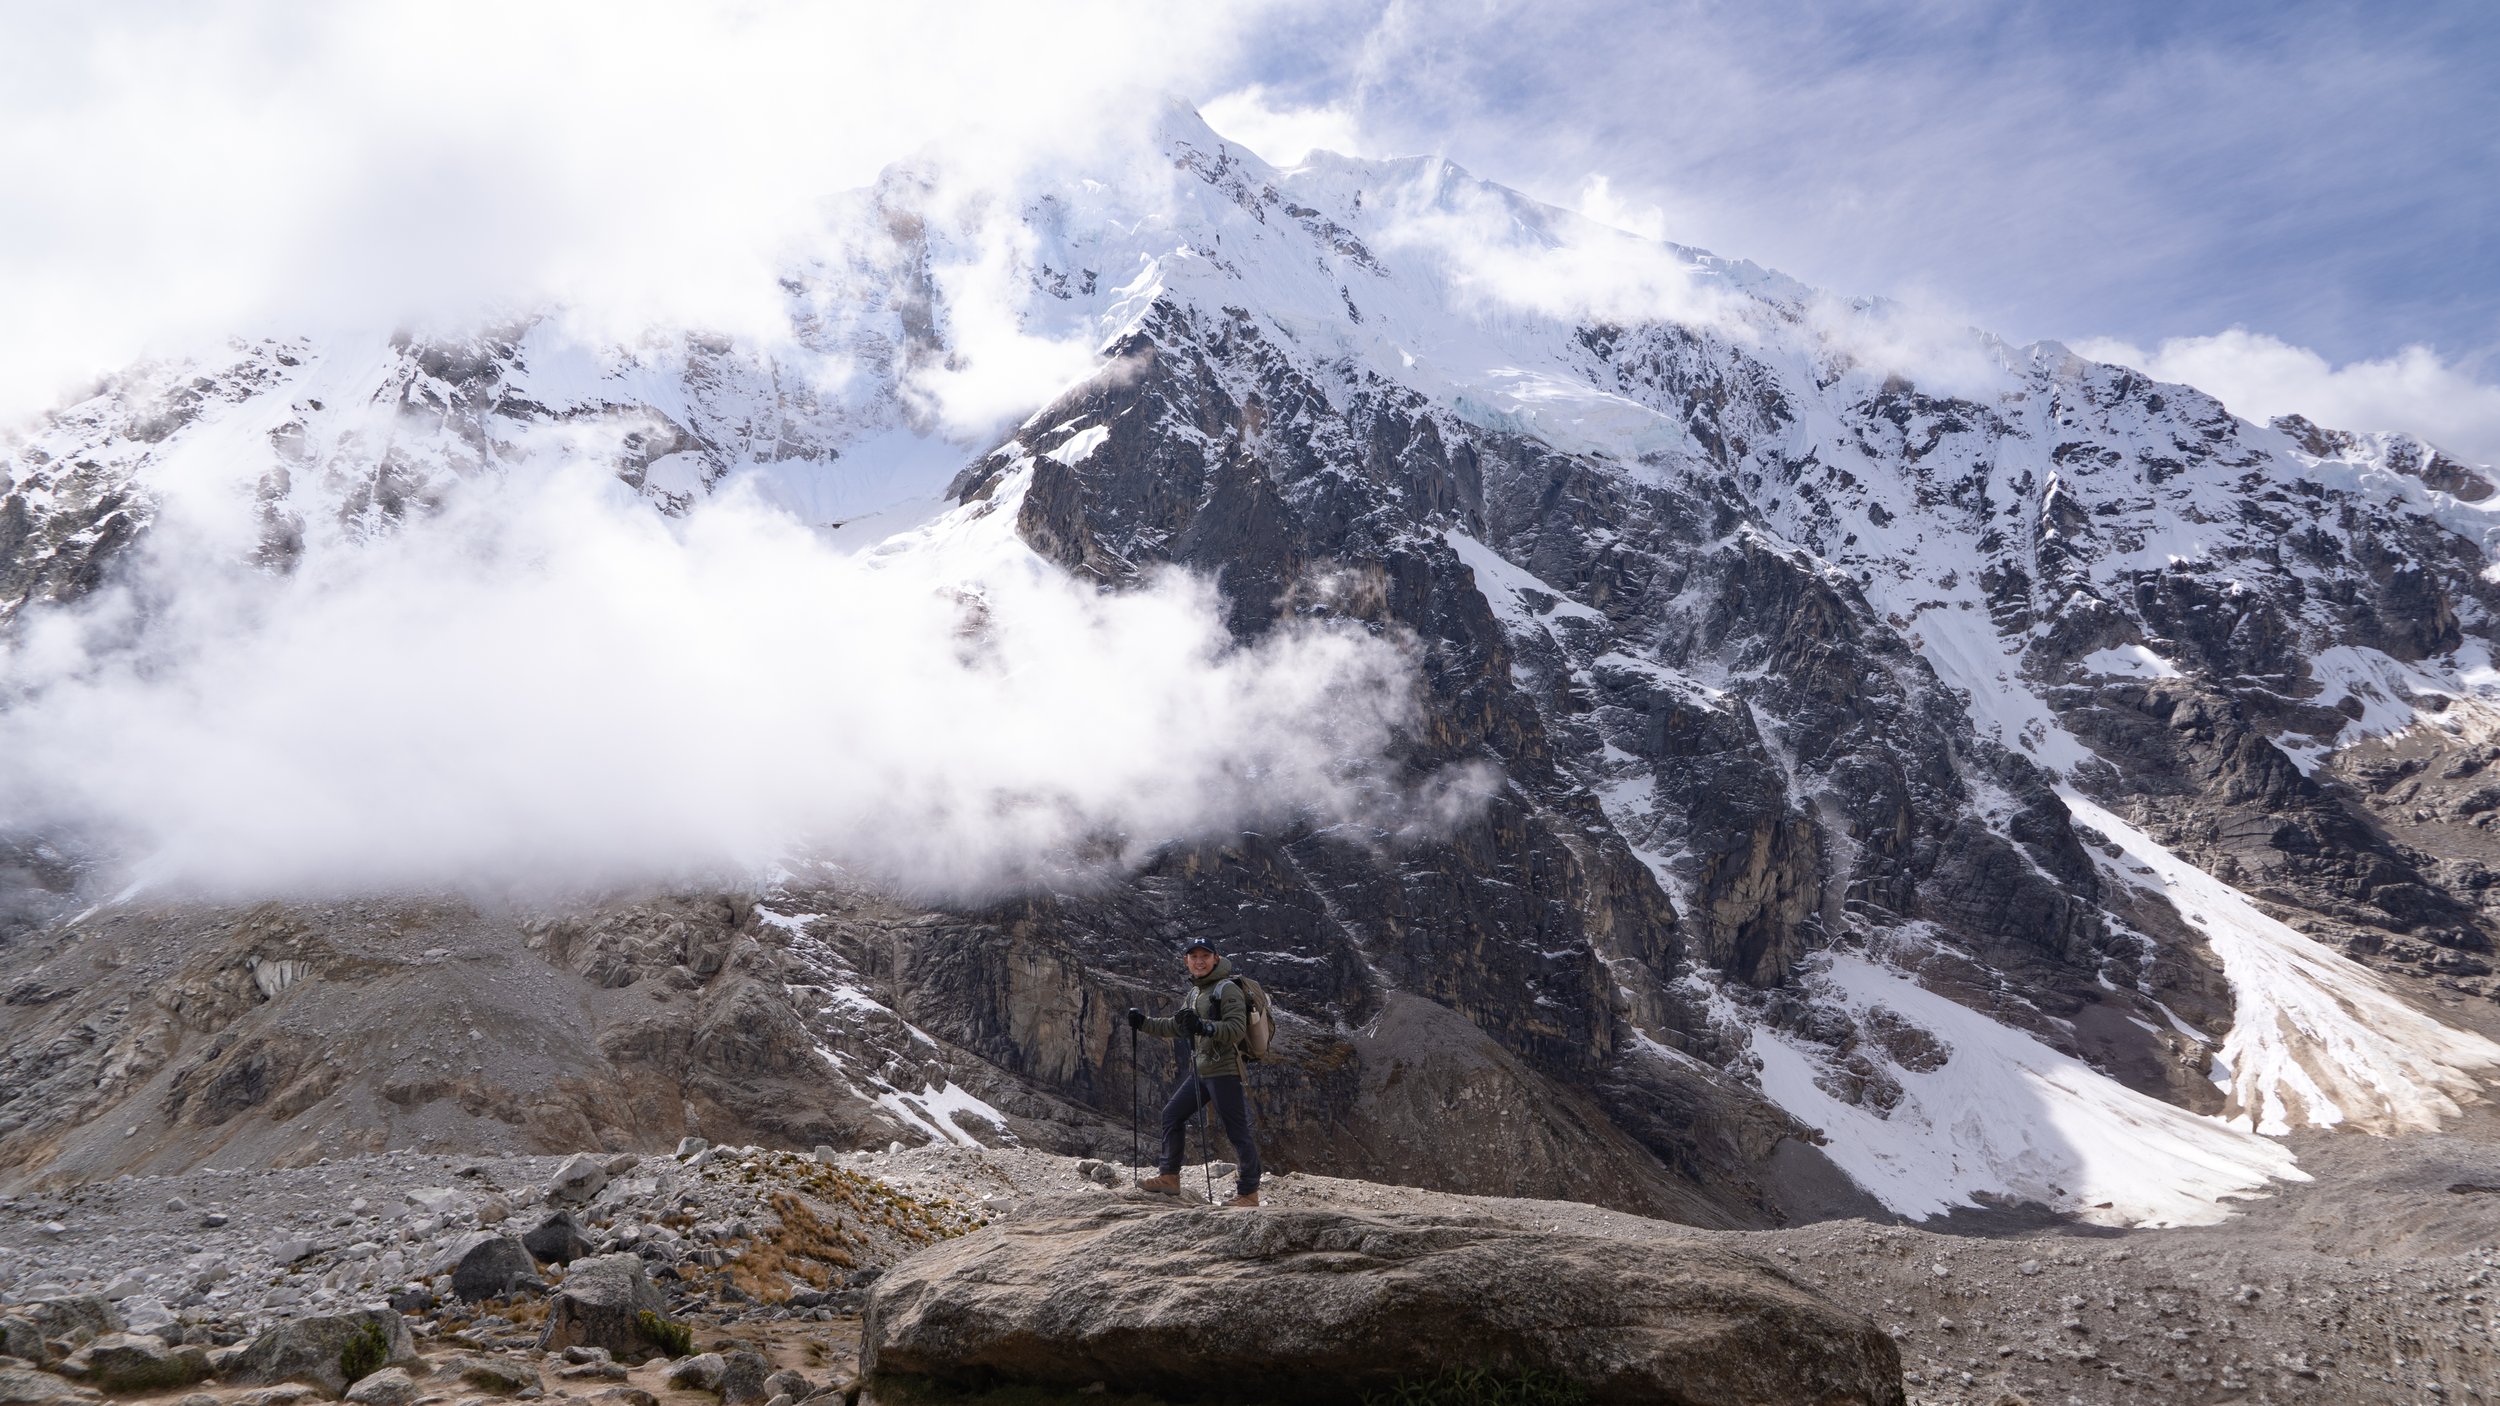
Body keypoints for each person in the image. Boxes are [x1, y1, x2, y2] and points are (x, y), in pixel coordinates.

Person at [1128, 939, 1262, 1208]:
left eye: (1205, 956)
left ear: (1216, 958)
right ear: (1186, 960)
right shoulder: (1195, 993)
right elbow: (1179, 1026)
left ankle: (1249, 1193)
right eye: (1194, 956)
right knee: (1172, 1114)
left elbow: (1235, 1029)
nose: (1199, 961)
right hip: (1201, 1071)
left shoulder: (1228, 990)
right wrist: (1144, 1024)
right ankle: (1169, 1177)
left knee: (1237, 1132)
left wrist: (1204, 1027)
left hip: (1223, 1071)